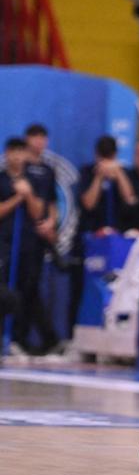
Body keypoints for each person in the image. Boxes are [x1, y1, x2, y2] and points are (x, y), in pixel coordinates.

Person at [0, 138, 58, 356]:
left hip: (28, 244)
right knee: (5, 290)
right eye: (12, 152)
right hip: (4, 243)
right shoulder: (1, 179)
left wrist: (28, 194)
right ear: (6, 153)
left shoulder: (33, 180)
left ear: (25, 154)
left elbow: (38, 212)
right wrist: (18, 197)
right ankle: (5, 337)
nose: (16, 156)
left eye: (20, 152)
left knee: (27, 290)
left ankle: (20, 338)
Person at [79, 135, 137, 233]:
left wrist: (119, 173)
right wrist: (99, 176)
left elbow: (130, 199)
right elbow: (88, 204)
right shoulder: (87, 172)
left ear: (115, 155)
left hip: (120, 230)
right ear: (96, 155)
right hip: (92, 229)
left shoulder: (125, 172)